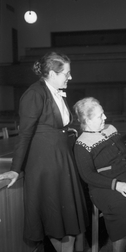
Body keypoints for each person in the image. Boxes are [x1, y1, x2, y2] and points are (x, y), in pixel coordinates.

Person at [0, 52, 88, 252]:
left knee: (68, 223)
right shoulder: (35, 94)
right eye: (66, 73)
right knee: (56, 221)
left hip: (61, 161)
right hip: (45, 164)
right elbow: (25, 135)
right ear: (50, 73)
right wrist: (15, 169)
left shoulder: (55, 91)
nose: (70, 77)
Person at [73, 97, 126, 252]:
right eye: (100, 116)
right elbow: (87, 175)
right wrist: (116, 185)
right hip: (104, 186)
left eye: (103, 113)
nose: (105, 118)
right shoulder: (81, 144)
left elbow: (125, 151)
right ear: (87, 120)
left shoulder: (110, 129)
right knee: (124, 211)